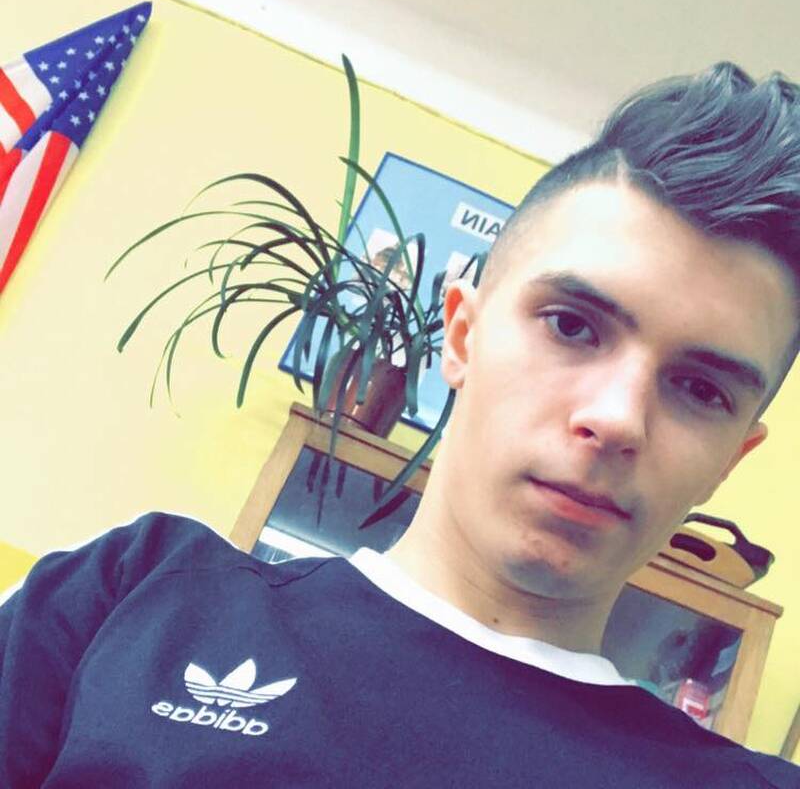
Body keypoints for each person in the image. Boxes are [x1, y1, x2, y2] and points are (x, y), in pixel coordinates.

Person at [2, 61, 799, 788]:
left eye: (701, 389)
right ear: (461, 336)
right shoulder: (134, 597)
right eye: (572, 326)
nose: (617, 417)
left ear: (732, 458)